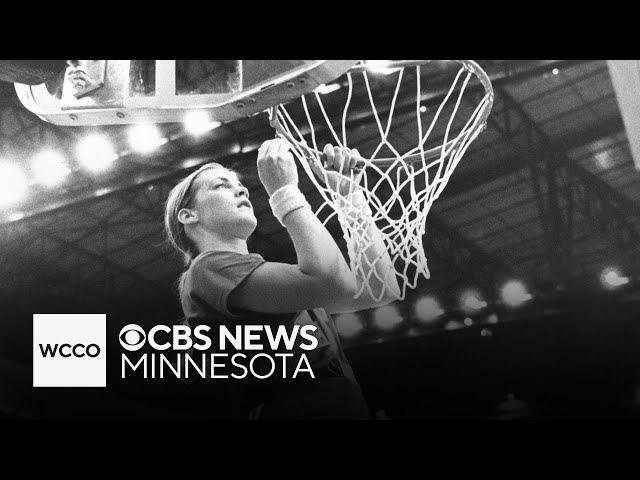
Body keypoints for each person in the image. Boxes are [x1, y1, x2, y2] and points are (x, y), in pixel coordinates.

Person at [164, 138, 400, 419]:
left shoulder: (275, 283)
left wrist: (350, 197)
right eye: (222, 185)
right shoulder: (206, 271)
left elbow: (380, 290)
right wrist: (284, 193)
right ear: (188, 215)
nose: (241, 189)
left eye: (238, 184)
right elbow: (331, 282)